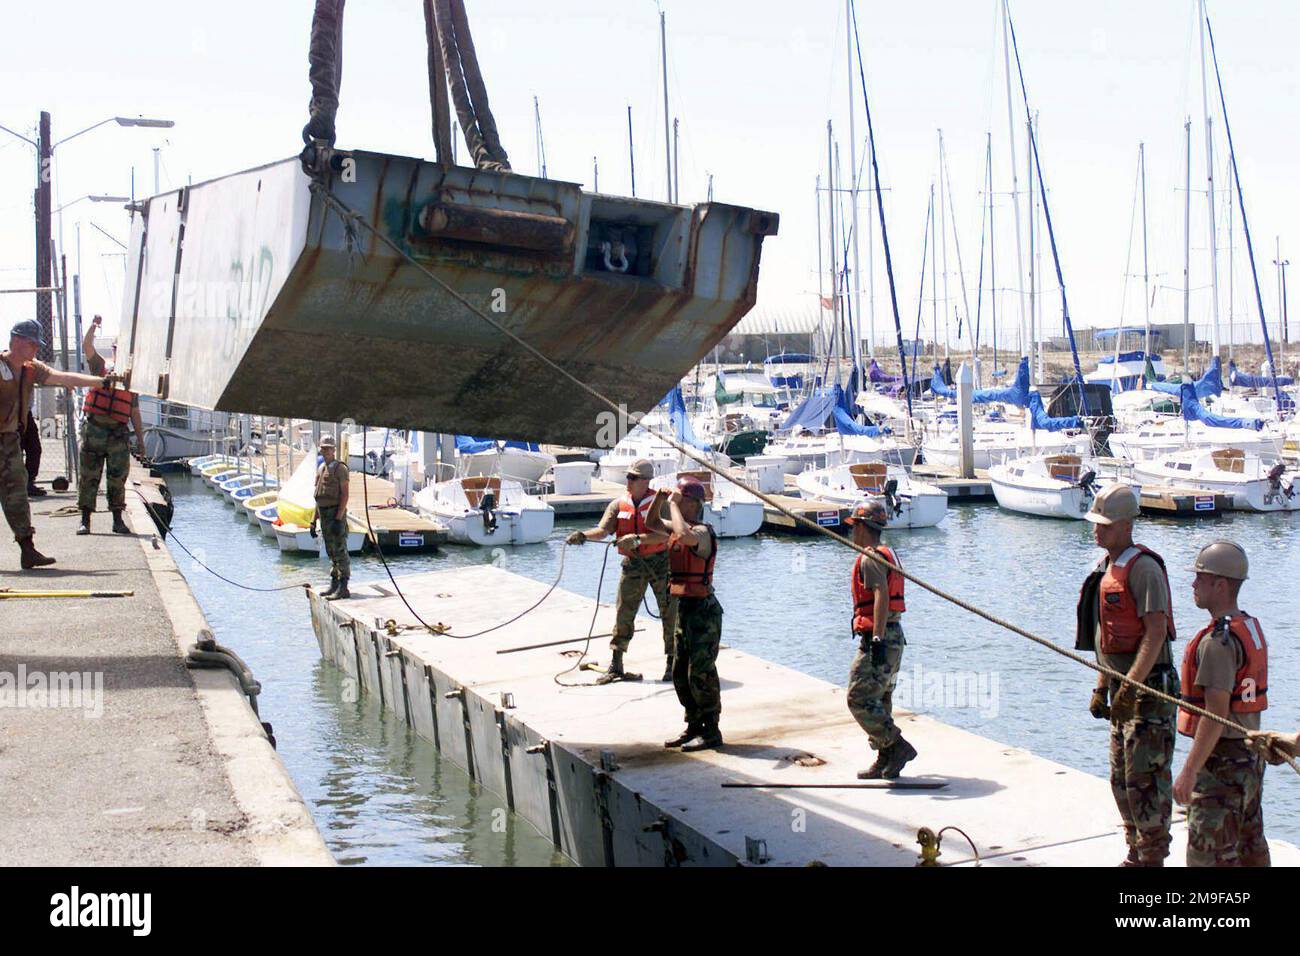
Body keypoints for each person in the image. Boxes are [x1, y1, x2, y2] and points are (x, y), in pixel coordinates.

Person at [1076, 484, 1178, 867]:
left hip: (1148, 692)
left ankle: (1151, 856)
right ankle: (1135, 852)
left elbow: (1154, 632)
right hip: (1121, 689)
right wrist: (1103, 686)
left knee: (1146, 780)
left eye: (1103, 524)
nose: (1096, 530)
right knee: (1121, 779)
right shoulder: (1106, 569)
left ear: (1124, 525)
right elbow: (1107, 637)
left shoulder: (1145, 569)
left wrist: (1132, 687)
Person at [1172, 541, 1271, 867]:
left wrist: (1188, 772)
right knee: (1249, 848)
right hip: (1250, 758)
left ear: (1221, 584)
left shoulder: (1218, 642)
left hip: (1223, 763)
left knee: (1208, 856)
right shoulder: (1250, 628)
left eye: (1200, 578)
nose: (1193, 584)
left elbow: (1213, 714)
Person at [2, 319, 122, 568]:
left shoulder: (30, 368)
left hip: (8, 441)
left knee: (17, 495)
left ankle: (28, 549)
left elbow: (63, 377)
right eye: (32, 343)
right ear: (16, 340)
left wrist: (101, 382)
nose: (36, 349)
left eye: (37, 344)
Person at [565, 458, 676, 683]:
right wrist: (583, 536)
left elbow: (667, 534)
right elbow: (603, 530)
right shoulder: (618, 504)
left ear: (645, 481)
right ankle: (616, 665)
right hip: (633, 565)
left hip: (660, 563)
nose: (628, 480)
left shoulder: (660, 503)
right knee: (624, 612)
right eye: (628, 476)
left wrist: (637, 539)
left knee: (669, 612)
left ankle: (672, 664)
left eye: (633, 477)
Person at [642, 477, 723, 752]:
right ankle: (693, 725)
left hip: (704, 611)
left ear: (694, 504)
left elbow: (685, 535)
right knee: (680, 671)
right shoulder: (679, 527)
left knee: (701, 672)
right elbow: (651, 524)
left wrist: (673, 505)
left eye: (683, 500)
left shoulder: (701, 533)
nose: (679, 504)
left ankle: (711, 730)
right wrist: (660, 500)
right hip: (685, 609)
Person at [844, 501, 917, 780]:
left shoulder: (869, 557)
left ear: (863, 527)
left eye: (854, 527)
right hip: (895, 635)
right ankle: (886, 757)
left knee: (858, 698)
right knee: (880, 698)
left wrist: (876, 638)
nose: (852, 533)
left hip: (882, 636)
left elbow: (880, 595)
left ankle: (897, 746)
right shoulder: (888, 554)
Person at [77, 316, 147, 535]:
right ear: (115, 350)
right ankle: (85, 520)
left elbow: (134, 411)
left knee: (117, 477)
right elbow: (87, 345)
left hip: (118, 433)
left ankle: (117, 520)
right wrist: (93, 326)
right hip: (95, 430)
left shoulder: (132, 379)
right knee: (89, 475)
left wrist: (141, 441)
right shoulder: (101, 368)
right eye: (120, 349)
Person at [313, 434, 351, 600]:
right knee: (330, 551)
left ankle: (344, 586)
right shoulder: (321, 469)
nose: (326, 451)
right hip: (324, 514)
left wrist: (338, 518)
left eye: (329, 448)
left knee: (340, 550)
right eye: (323, 448)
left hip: (335, 513)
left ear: (334, 450)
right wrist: (313, 521)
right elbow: (318, 497)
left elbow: (345, 495)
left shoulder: (340, 469)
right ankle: (334, 583)